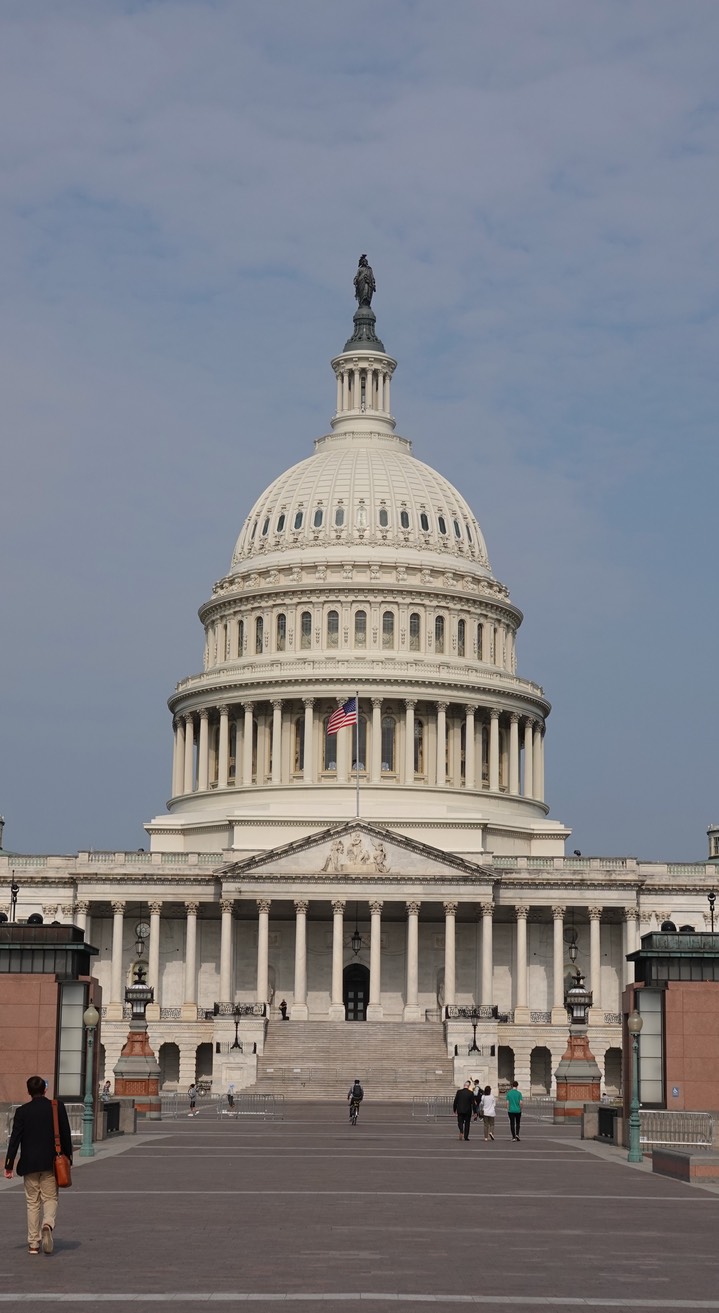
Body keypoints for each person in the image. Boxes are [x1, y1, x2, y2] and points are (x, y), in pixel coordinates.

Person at [3, 1075, 73, 1255]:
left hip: (29, 1164)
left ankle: (33, 1244)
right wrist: (68, 1158)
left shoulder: (22, 1112)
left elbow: (15, 1140)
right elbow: (65, 1134)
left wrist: (9, 1165)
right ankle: (48, 1224)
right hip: (51, 1162)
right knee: (50, 1198)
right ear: (45, 1090)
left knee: (32, 1203)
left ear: (28, 1091)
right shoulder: (56, 1107)